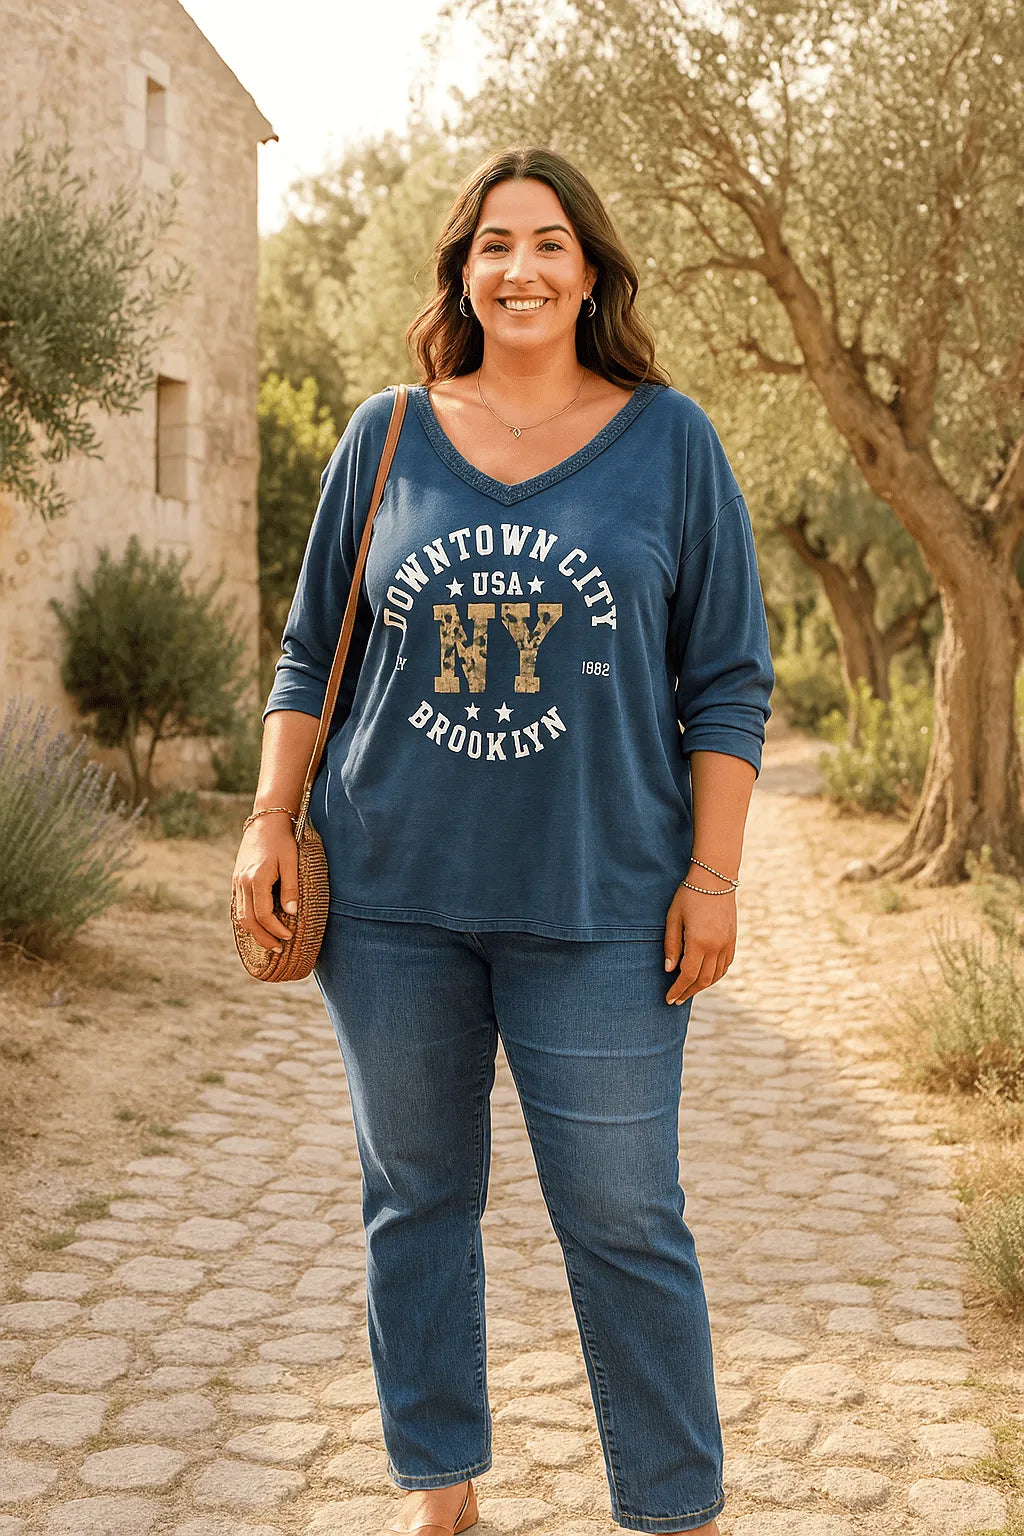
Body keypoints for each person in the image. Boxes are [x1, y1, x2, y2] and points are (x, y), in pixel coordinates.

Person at [232, 144, 774, 1536]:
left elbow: (725, 681)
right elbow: (310, 656)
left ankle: (674, 1506)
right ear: (460, 273)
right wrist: (266, 821)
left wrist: (713, 878)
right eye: (492, 245)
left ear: (589, 270)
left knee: (624, 1219)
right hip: (395, 902)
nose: (519, 268)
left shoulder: (671, 440)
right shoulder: (388, 432)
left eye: (547, 243)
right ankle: (443, 1487)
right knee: (415, 1201)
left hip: (603, 905)